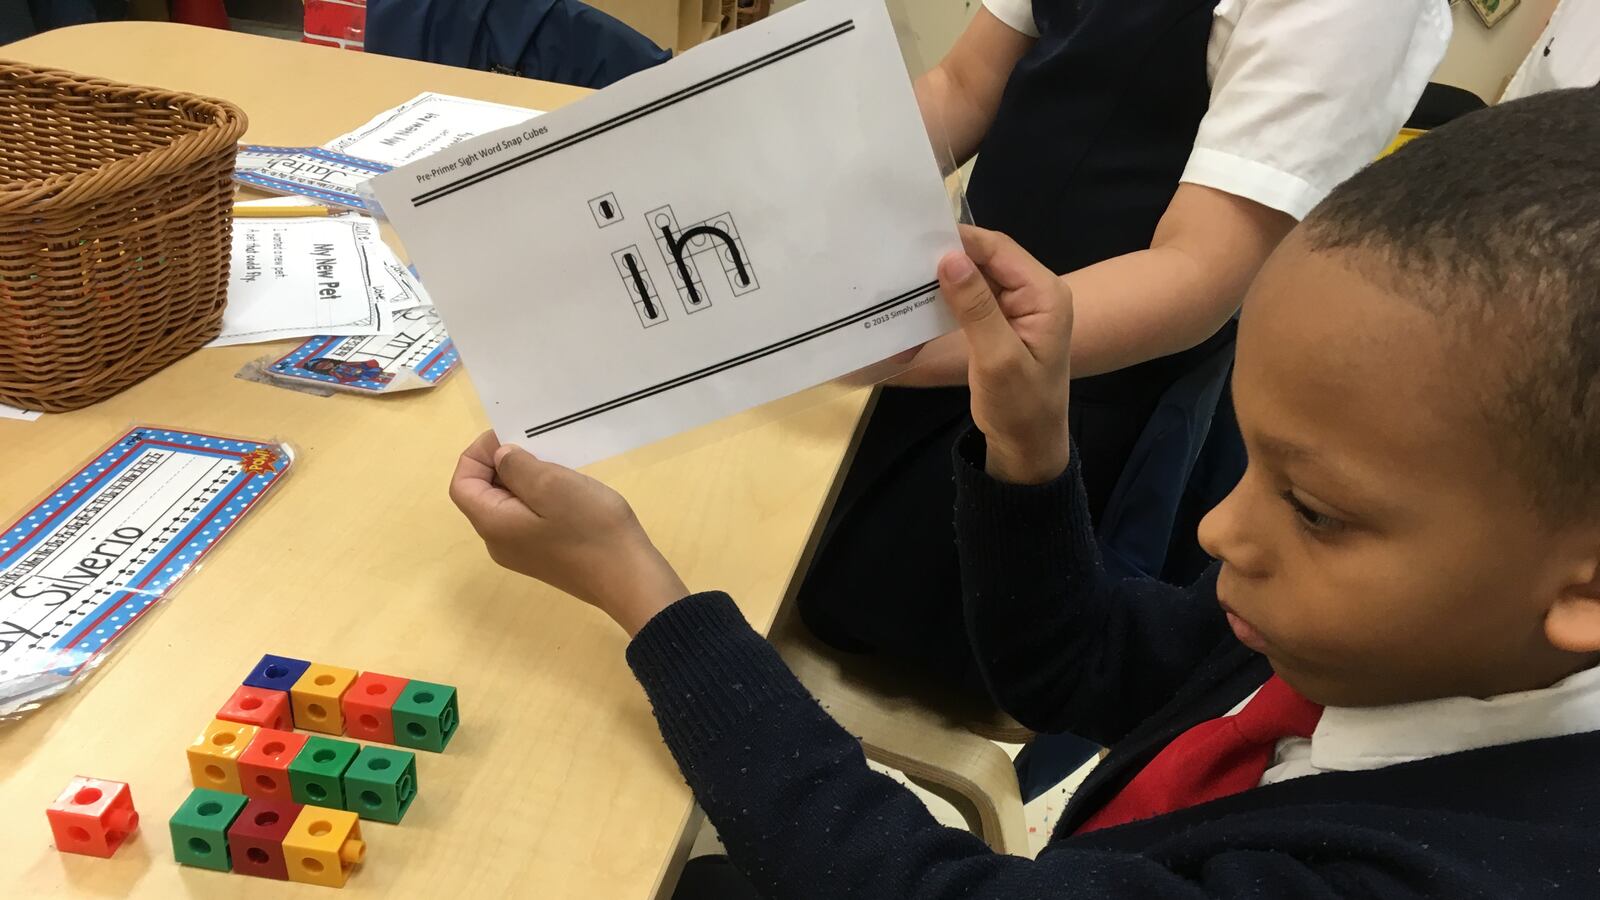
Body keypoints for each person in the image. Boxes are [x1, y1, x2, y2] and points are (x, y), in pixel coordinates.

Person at [449, 86, 1600, 898]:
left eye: (1314, 509)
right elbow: (1071, 661)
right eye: (1246, 459)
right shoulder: (1389, 642)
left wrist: (652, 603)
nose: (1216, 527)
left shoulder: (1462, 867)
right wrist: (1027, 440)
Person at [797, 0, 1451, 695]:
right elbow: (961, 83)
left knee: (855, 610)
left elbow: (1198, 272)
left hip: (1086, 387)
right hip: (946, 311)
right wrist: (805, 200)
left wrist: (921, 350)